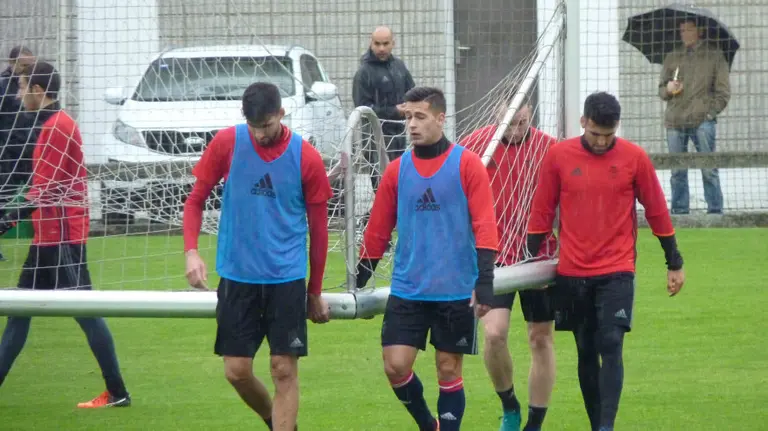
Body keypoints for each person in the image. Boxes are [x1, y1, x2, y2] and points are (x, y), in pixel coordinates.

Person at [526, 92, 685, 431]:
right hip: (571, 272)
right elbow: (541, 210)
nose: (601, 141)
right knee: (585, 350)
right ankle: (597, 423)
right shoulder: (558, 157)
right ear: (583, 122)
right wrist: (529, 257)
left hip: (617, 269)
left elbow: (656, 210)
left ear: (617, 129)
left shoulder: (634, 158)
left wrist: (674, 261)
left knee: (611, 341)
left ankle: (605, 427)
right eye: (595, 133)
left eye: (608, 135)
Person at [182, 82, 332, 431]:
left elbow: (319, 229)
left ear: (281, 114)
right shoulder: (227, 143)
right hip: (238, 277)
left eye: (266, 125)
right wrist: (191, 251)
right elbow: (195, 200)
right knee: (236, 372)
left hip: (286, 278)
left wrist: (315, 289)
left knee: (283, 368)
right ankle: (276, 422)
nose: (260, 133)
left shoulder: (305, 156)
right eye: (254, 126)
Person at [355, 86, 498, 431]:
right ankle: (427, 424)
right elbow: (378, 229)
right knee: (395, 365)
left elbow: (485, 224)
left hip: (455, 290)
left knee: (448, 368)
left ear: (440, 118)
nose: (412, 125)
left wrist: (485, 280)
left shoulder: (467, 165)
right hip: (408, 289)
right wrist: (360, 275)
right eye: (408, 117)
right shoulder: (396, 171)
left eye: (420, 117)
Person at [0, 61, 131, 408]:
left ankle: (118, 392)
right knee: (19, 312)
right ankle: (118, 392)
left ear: (39, 91)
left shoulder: (57, 126)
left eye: (22, 86)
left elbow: (44, 190)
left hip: (61, 239)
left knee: (85, 313)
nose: (18, 93)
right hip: (50, 237)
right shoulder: (53, 123)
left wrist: (6, 221)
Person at [461, 103, 558, 431]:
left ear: (530, 117)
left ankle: (535, 422)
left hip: (539, 257)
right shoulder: (476, 145)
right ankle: (509, 405)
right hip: (495, 258)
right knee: (494, 334)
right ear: (495, 118)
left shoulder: (549, 148)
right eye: (510, 123)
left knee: (540, 339)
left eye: (522, 123)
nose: (515, 130)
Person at [658, 17, 730, 215]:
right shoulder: (673, 56)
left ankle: (715, 212)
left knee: (708, 169)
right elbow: (661, 90)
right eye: (682, 31)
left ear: (700, 31)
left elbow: (723, 93)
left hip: (702, 121)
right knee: (677, 171)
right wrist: (669, 89)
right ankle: (680, 212)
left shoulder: (715, 56)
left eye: (689, 30)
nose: (685, 34)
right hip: (675, 121)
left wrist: (709, 113)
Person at [353, 26, 416, 189]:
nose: (381, 48)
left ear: (393, 43)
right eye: (377, 43)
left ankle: (397, 213)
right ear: (371, 43)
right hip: (376, 138)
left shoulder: (399, 67)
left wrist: (411, 106)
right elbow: (362, 108)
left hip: (399, 135)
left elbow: (413, 92)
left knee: (400, 180)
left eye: (385, 43)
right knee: (382, 185)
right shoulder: (364, 72)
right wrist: (394, 111)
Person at [0, 46, 38, 260]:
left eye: (31, 65)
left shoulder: (36, 86)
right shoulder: (3, 85)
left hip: (30, 150)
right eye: (24, 65)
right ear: (12, 63)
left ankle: (48, 240)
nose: (28, 69)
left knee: (40, 195)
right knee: (3, 201)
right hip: (7, 153)